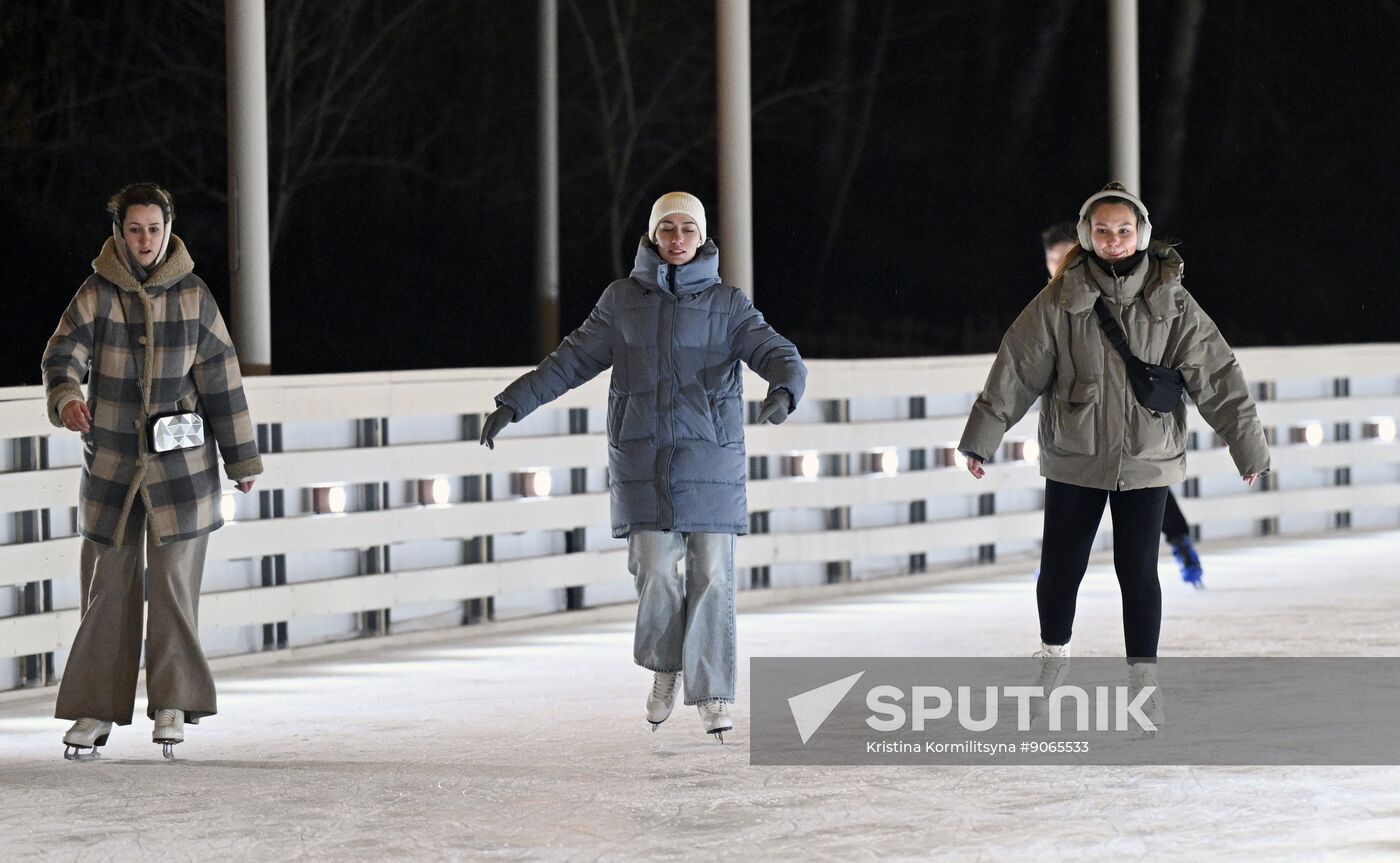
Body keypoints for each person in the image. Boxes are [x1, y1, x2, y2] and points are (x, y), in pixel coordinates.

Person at [479, 192, 806, 742]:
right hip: (641, 460)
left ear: (702, 238)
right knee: (653, 570)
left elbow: (776, 351)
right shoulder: (620, 301)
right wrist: (515, 401)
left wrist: (784, 389)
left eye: (687, 230)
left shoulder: (728, 305)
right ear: (654, 237)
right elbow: (572, 359)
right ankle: (664, 668)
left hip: (710, 458)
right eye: (667, 229)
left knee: (712, 576)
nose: (677, 239)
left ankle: (713, 691)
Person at [961, 183, 1269, 727]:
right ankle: (1053, 658)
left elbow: (1217, 373)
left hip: (1147, 454)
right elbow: (1018, 365)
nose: (1114, 240)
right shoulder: (1061, 298)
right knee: (1061, 569)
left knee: (1138, 571)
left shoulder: (1171, 296)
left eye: (1124, 230)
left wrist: (1246, 445)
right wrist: (983, 435)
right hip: (1075, 454)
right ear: (1086, 235)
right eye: (1102, 230)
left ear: (1142, 234)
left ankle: (1142, 682)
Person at [43, 183, 263, 759]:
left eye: (154, 229)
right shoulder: (96, 294)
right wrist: (67, 395)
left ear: (169, 231)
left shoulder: (195, 297)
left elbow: (223, 379)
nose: (145, 240)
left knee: (172, 585)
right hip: (113, 466)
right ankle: (95, 706)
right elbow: (62, 353)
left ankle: (173, 700)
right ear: (119, 232)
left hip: (182, 471)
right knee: (108, 585)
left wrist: (240, 457)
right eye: (135, 229)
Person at [1043, 221, 1205, 588]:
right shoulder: (1051, 305)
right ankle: (1057, 571)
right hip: (1080, 425)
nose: (1058, 266)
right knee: (1079, 496)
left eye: (1064, 257)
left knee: (1144, 490)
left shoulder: (1125, 295)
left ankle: (1180, 544)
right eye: (1052, 259)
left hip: (1134, 419)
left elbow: (1195, 358)